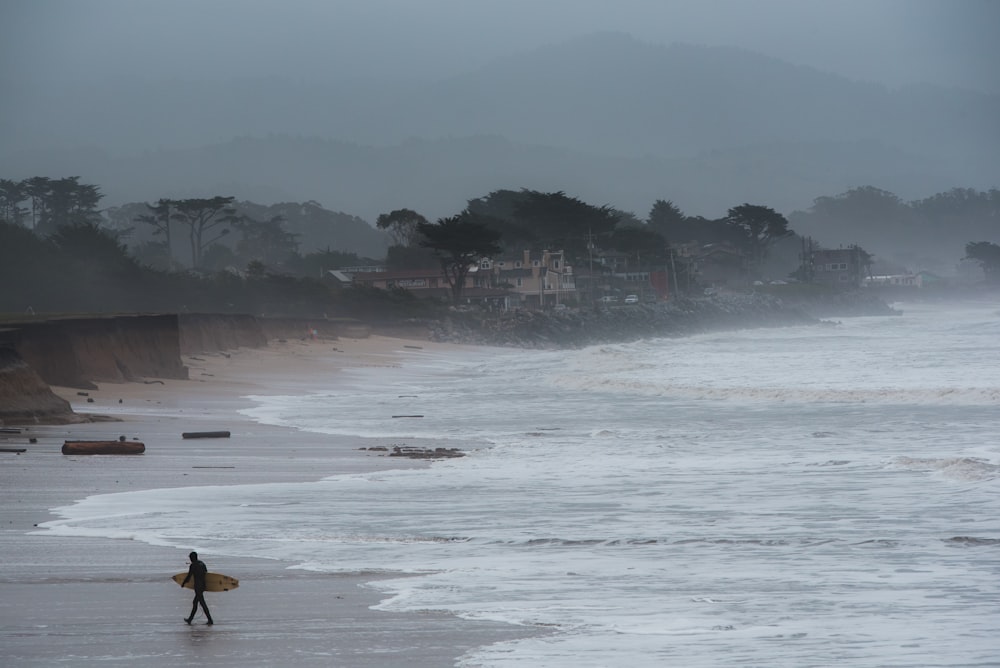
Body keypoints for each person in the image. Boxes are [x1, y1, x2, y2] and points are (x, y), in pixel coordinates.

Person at [181, 551, 214, 625]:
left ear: (192, 558)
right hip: (203, 586)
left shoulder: (193, 565)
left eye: (190, 558)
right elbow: (207, 574)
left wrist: (183, 583)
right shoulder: (202, 564)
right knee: (195, 602)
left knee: (202, 603)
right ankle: (190, 619)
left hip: (198, 587)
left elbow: (189, 576)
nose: (190, 559)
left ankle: (210, 620)